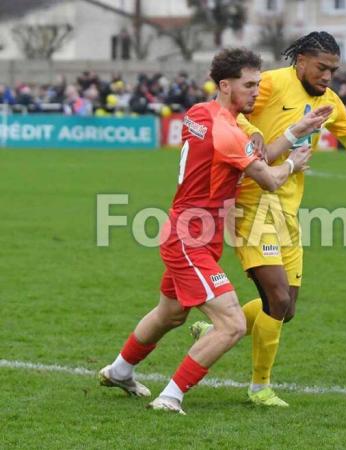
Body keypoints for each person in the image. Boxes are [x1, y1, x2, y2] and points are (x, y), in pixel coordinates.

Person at [189, 31, 346, 407]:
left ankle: (220, 328)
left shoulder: (329, 102)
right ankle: (259, 387)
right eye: (322, 67)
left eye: (334, 70)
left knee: (286, 308)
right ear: (301, 61)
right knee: (276, 300)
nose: (328, 76)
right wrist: (253, 134)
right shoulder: (271, 83)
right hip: (252, 202)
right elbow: (227, 111)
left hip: (288, 211)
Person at [97, 48, 332, 414]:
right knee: (232, 324)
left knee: (170, 314)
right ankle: (171, 396)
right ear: (225, 85)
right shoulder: (228, 133)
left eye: (258, 83)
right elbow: (269, 178)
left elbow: (250, 150)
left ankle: (120, 370)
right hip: (190, 239)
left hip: (187, 233)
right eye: (249, 85)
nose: (258, 91)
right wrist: (295, 164)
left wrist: (294, 130)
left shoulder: (200, 113)